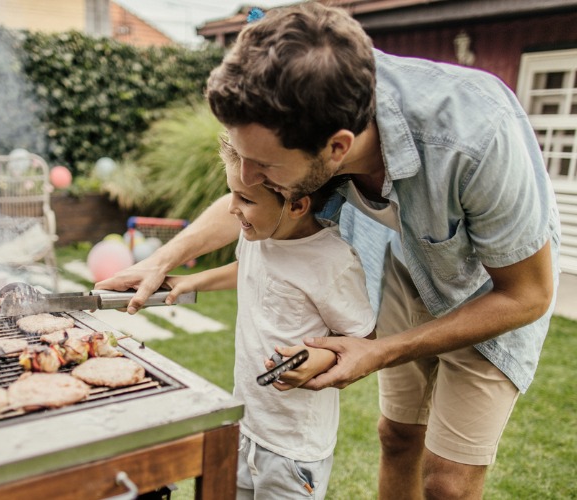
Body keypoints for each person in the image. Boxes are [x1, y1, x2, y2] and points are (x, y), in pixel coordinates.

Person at [96, 3, 561, 499]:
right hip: (406, 258)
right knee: (397, 435)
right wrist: (160, 260)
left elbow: (527, 295)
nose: (246, 179)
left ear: (337, 149)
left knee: (447, 482)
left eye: (266, 167)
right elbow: (250, 196)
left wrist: (381, 350)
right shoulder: (312, 101)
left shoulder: (474, 137)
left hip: (491, 287)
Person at [164, 136, 375, 499]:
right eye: (232, 193)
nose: (232, 209)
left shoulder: (333, 263)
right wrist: (189, 280)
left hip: (293, 446)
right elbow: (246, 269)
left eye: (245, 199)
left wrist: (319, 358)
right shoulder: (258, 236)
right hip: (246, 424)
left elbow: (363, 340)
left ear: (297, 205)